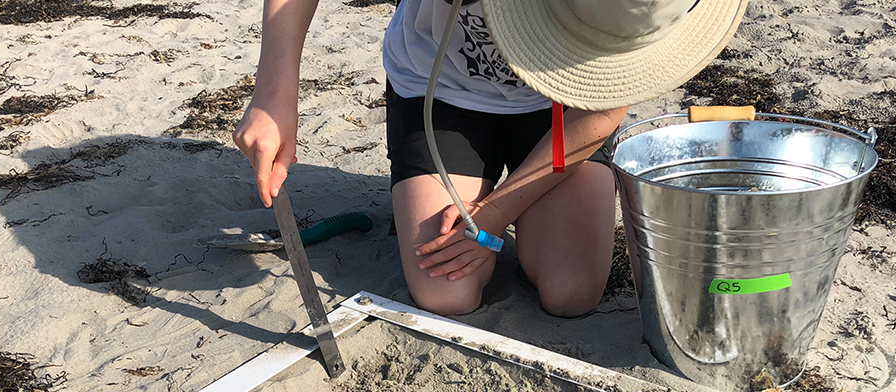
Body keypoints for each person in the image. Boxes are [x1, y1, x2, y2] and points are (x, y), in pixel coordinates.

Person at [233, 0, 747, 317]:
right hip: (441, 87)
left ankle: (502, 198)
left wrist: (493, 216)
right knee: (445, 293)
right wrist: (275, 93)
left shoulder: (652, 9)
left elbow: (602, 112)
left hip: (562, 113)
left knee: (571, 292)